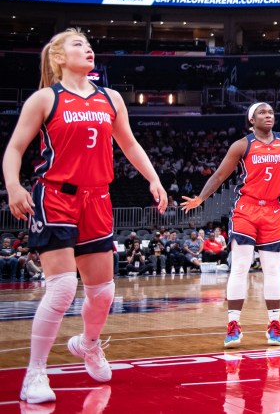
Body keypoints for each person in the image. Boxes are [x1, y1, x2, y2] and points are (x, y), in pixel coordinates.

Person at [2, 29, 168, 404]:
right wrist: (14, 186)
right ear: (58, 57)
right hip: (56, 196)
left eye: (90, 45)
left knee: (103, 293)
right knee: (62, 288)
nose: (88, 49)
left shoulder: (110, 98)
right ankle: (35, 373)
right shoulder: (46, 98)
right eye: (78, 44)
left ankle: (88, 344)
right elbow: (15, 147)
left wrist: (154, 178)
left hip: (98, 199)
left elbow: (128, 143)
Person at [182, 102, 280, 348]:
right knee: (240, 267)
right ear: (251, 119)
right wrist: (201, 198)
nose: (268, 116)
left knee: (271, 269)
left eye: (270, 112)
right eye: (262, 113)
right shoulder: (242, 145)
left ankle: (274, 324)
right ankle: (233, 325)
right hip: (246, 209)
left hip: (272, 209)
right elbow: (218, 175)